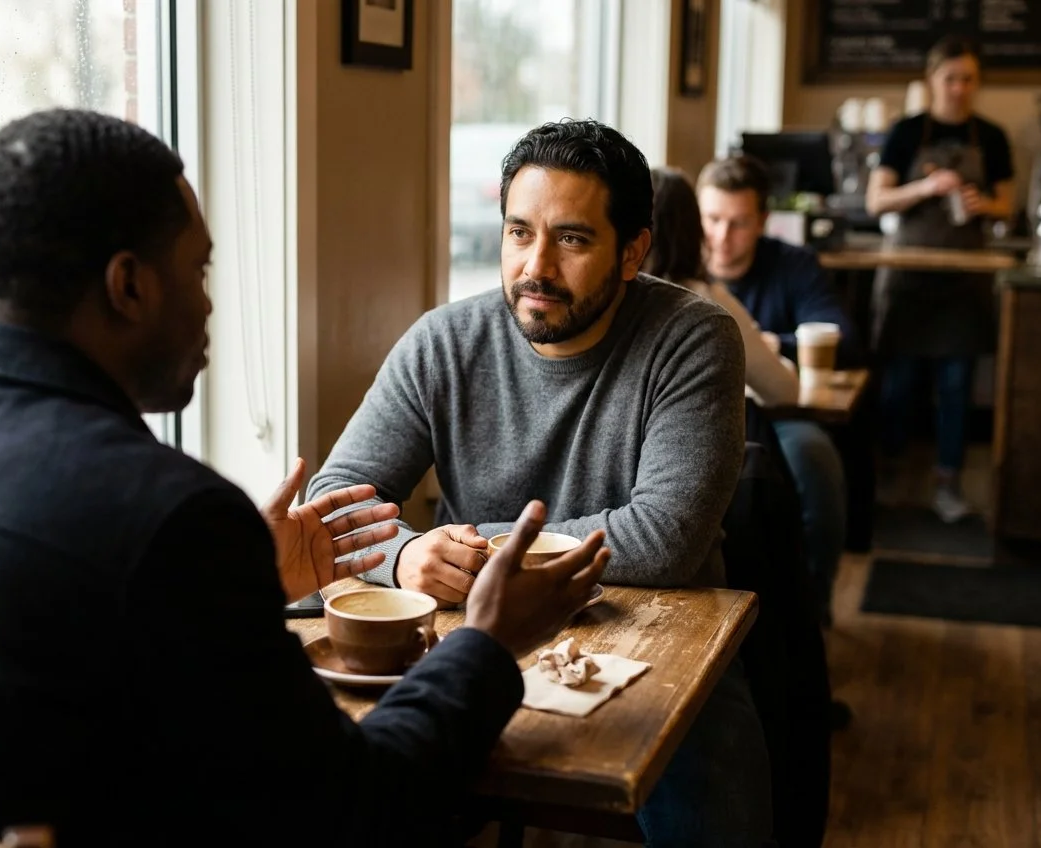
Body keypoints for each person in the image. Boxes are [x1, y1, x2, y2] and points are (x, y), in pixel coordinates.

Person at [0, 108, 612, 846]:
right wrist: (484, 643)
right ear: (129, 286)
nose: (209, 305)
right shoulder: (165, 516)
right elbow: (358, 810)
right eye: (198, 270)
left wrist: (243, 587)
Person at [308, 119, 773, 847]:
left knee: (718, 820)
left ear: (633, 252)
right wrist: (403, 557)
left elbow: (667, 538)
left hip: (663, 644)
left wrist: (459, 548)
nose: (537, 266)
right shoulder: (443, 341)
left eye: (574, 239)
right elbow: (333, 503)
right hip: (471, 637)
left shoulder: (695, 336)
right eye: (519, 232)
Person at [696, 153, 861, 628]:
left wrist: (773, 344)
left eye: (739, 223)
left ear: (764, 220)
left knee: (815, 459)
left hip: (778, 406)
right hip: (701, 408)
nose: (722, 237)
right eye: (712, 219)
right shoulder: (682, 271)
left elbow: (842, 335)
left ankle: (814, 601)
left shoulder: (793, 265)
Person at [866, 35, 1014, 524]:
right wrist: (927, 186)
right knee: (898, 386)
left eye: (969, 79)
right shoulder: (905, 132)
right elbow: (877, 201)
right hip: (909, 279)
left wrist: (982, 204)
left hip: (964, 283)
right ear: (932, 80)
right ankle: (890, 476)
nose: (959, 88)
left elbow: (1009, 206)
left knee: (956, 387)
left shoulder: (991, 137)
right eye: (950, 78)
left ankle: (947, 483)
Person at [645, 166, 799, 409]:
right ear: (694, 226)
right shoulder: (708, 301)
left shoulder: (600, 299)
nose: (722, 235)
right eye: (713, 219)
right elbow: (784, 392)